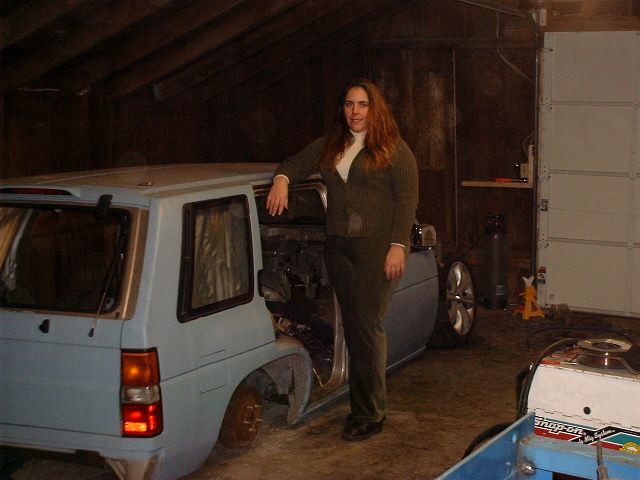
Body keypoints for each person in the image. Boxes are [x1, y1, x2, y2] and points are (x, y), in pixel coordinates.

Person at [266, 78, 419, 442]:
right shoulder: (332, 145)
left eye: (362, 104)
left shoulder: (394, 149)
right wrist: (282, 180)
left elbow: (407, 199)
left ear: (375, 109)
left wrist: (398, 245)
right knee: (352, 328)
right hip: (338, 248)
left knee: (365, 328)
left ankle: (369, 414)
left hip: (377, 249)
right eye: (350, 104)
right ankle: (361, 400)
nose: (355, 111)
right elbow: (296, 163)